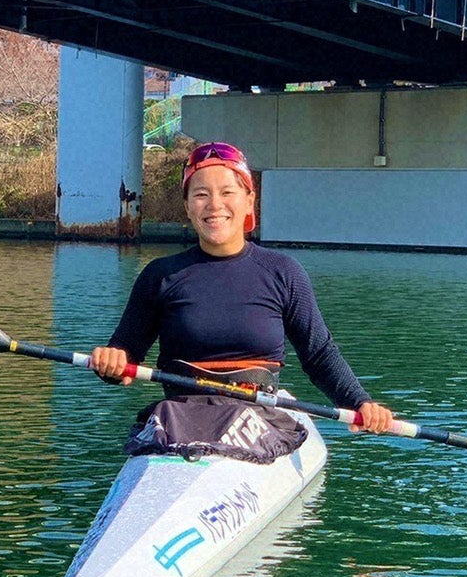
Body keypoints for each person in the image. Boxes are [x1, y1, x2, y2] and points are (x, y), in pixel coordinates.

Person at [90, 140, 394, 436]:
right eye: (201, 194)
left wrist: (360, 402)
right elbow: (124, 355)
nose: (214, 205)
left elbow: (318, 356)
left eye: (227, 192)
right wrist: (112, 362)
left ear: (249, 199)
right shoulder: (159, 276)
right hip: (180, 419)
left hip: (259, 420)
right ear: (187, 206)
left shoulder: (283, 272)